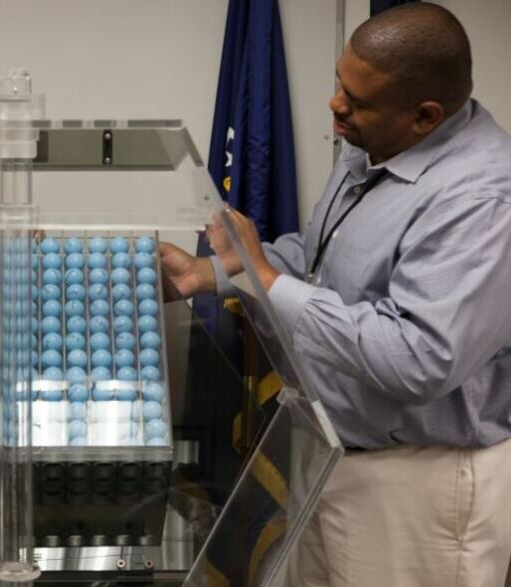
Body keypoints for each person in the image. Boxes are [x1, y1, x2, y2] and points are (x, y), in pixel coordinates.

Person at [160, 4, 511, 586]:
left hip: (418, 484)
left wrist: (267, 282)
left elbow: (417, 359)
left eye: (359, 101)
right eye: (339, 85)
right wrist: (213, 273)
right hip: (329, 451)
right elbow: (320, 265)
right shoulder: (375, 145)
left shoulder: (479, 201)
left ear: (426, 115)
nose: (336, 106)